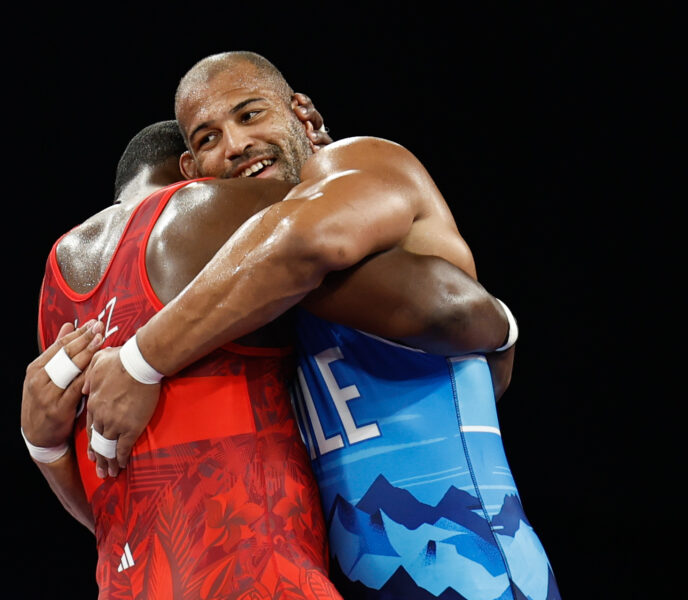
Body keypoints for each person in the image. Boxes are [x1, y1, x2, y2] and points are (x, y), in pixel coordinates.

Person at [82, 51, 560, 600]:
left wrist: (140, 360)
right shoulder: (246, 294)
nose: (236, 144)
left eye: (250, 114)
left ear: (302, 115)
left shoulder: (362, 163)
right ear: (195, 173)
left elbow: (307, 244)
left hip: (473, 567)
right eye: (209, 138)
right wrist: (42, 442)